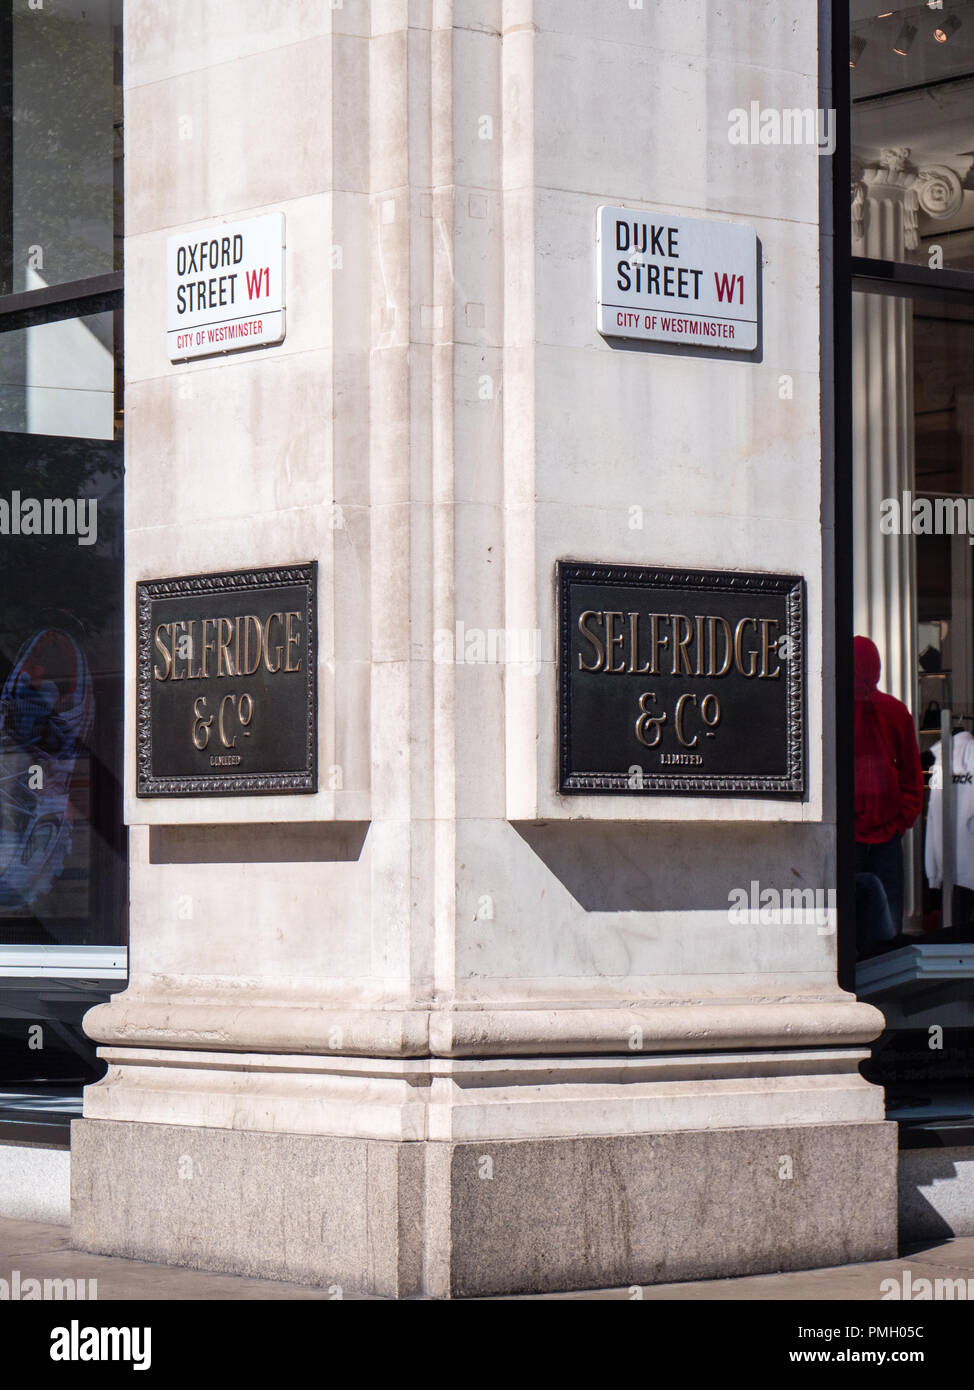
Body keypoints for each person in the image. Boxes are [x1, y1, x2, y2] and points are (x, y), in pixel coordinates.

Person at [854, 635, 923, 946]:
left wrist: (900, 821)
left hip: (869, 836)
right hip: (870, 836)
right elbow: (912, 776)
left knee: (848, 918)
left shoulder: (892, 712)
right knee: (886, 922)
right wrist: (900, 821)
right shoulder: (893, 711)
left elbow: (911, 776)